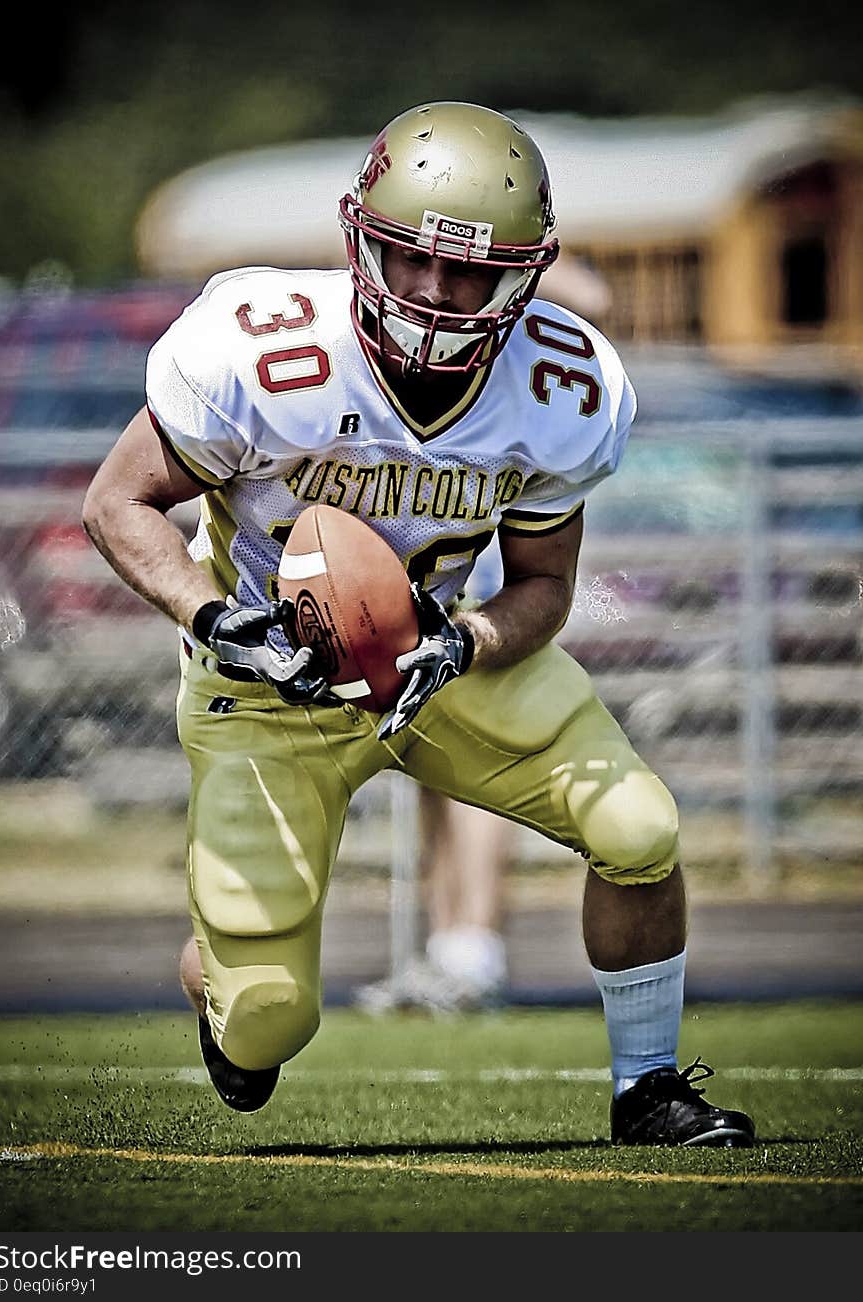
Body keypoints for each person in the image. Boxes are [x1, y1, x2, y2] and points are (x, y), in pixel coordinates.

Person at [82, 100, 754, 1146]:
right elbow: (116, 502)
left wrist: (467, 641)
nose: (438, 298)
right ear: (357, 242)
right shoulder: (259, 350)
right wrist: (216, 617)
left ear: (531, 272)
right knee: (264, 1021)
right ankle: (225, 974)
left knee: (639, 829)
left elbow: (542, 587)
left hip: (437, 659)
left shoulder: (560, 385)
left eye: (473, 273)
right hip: (271, 685)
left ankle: (647, 1085)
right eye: (414, 264)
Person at [354, 538, 515, 1015]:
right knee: (430, 774)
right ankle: (447, 952)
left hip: (472, 606)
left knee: (476, 774)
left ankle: (478, 957)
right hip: (421, 604)